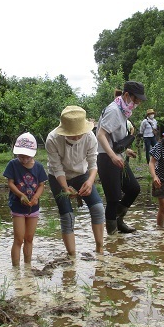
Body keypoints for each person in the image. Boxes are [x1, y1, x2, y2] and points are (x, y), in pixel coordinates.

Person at [46, 106, 105, 255]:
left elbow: (93, 162)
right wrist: (65, 187)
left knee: (98, 209)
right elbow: (57, 168)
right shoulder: (52, 139)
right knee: (67, 215)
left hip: (81, 174)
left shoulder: (90, 137)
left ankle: (99, 248)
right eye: (72, 135)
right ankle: (72, 256)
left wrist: (90, 181)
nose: (77, 138)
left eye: (79, 134)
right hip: (57, 177)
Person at [96, 81, 146, 235]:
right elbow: (100, 135)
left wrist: (125, 150)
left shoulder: (122, 110)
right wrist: (112, 156)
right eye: (135, 100)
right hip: (107, 158)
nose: (137, 103)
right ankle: (112, 235)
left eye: (139, 101)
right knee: (113, 198)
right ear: (126, 95)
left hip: (117, 156)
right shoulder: (114, 111)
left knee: (133, 188)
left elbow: (115, 137)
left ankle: (117, 219)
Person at [3, 132, 48, 266]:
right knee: (18, 239)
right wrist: (20, 195)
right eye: (21, 156)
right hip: (17, 206)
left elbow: (41, 185)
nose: (23, 159)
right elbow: (10, 183)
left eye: (26, 156)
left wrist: (35, 197)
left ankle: (27, 267)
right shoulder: (13, 165)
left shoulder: (39, 167)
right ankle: (16, 269)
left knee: (29, 238)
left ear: (33, 153)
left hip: (33, 207)